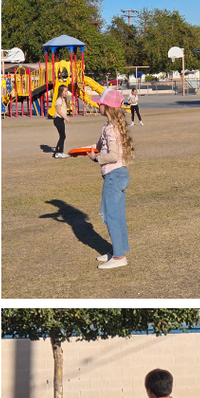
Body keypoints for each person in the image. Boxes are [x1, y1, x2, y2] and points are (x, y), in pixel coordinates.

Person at [86, 88, 134, 270]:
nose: (98, 105)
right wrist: (83, 150)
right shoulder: (111, 127)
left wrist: (96, 159)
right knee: (118, 215)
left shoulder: (110, 129)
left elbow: (112, 155)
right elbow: (98, 146)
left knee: (110, 216)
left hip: (114, 176)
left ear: (107, 107)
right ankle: (117, 250)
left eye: (101, 103)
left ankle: (119, 256)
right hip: (120, 174)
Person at [51, 86, 70, 158]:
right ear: (61, 92)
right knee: (62, 136)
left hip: (61, 120)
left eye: (67, 91)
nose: (66, 93)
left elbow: (64, 108)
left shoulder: (63, 99)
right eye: (65, 91)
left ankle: (59, 152)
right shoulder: (59, 100)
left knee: (62, 136)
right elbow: (58, 111)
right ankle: (58, 152)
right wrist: (66, 118)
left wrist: (71, 105)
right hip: (58, 120)